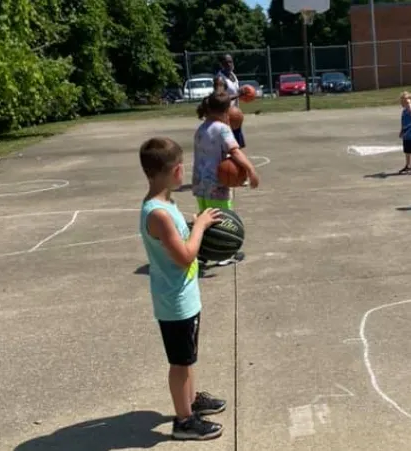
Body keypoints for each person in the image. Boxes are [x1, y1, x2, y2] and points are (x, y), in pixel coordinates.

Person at [138, 137, 227, 441]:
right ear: (176, 170)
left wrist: (191, 224)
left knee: (188, 356)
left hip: (184, 296)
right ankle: (184, 421)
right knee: (179, 362)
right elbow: (185, 255)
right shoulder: (158, 213)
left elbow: (177, 242)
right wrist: (200, 226)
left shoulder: (165, 205)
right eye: (182, 167)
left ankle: (191, 401)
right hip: (174, 301)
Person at [192, 92, 259, 266]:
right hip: (217, 183)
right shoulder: (222, 129)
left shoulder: (201, 128)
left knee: (205, 219)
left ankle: (203, 252)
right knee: (223, 220)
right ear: (226, 111)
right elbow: (235, 151)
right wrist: (250, 169)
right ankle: (225, 254)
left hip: (200, 183)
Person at [215, 54, 246, 149]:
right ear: (221, 64)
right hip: (225, 116)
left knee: (239, 145)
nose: (229, 64)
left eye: (230, 61)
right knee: (230, 147)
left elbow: (234, 91)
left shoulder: (233, 75)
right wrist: (238, 95)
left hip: (235, 115)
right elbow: (219, 97)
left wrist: (242, 92)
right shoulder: (220, 79)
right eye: (226, 62)